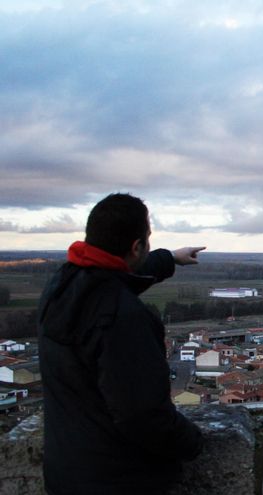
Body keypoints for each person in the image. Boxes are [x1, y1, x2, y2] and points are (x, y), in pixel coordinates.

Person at [38, 193, 205, 494]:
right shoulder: (124, 318)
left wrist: (169, 258)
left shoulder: (62, 285)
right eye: (147, 239)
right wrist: (195, 442)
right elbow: (143, 416)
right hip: (119, 480)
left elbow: (116, 273)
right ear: (136, 246)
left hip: (66, 472)